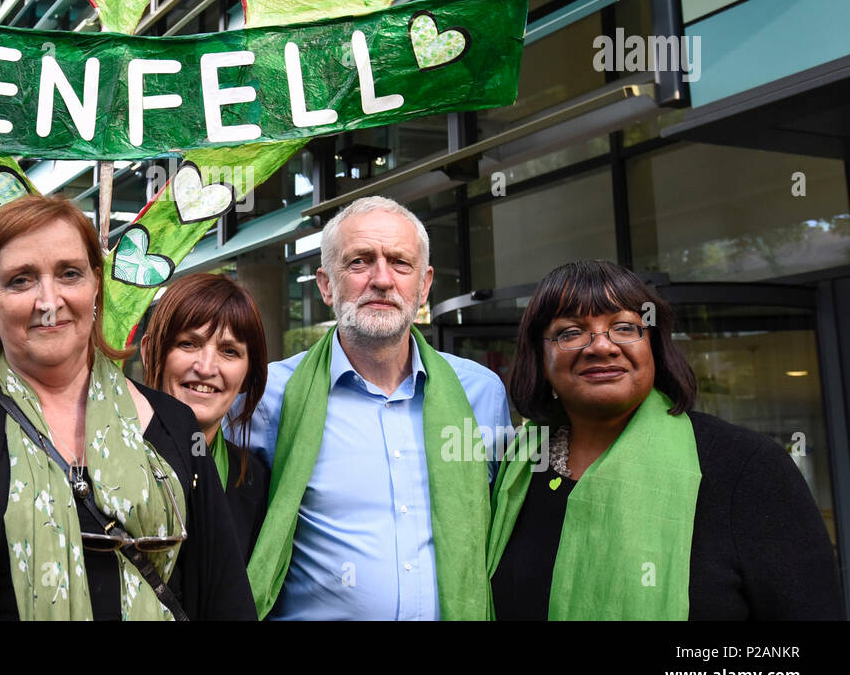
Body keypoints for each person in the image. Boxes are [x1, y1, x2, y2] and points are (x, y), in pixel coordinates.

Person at [0, 194, 256, 620]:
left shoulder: (173, 424)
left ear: (96, 283)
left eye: (69, 274)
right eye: (21, 280)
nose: (49, 301)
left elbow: (225, 596)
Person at [488, 259, 844, 620]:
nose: (601, 346)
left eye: (625, 327)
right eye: (570, 332)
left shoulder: (747, 466)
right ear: (540, 357)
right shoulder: (516, 470)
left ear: (653, 347)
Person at [242, 195, 511, 620]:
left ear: (423, 285)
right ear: (326, 285)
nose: (382, 279)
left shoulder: (481, 394)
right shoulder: (268, 396)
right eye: (360, 262)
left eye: (401, 263)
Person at [138, 272, 270, 562]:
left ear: (248, 375)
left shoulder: (254, 481)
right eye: (188, 344)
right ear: (150, 353)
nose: (207, 367)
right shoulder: (107, 459)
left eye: (229, 351)